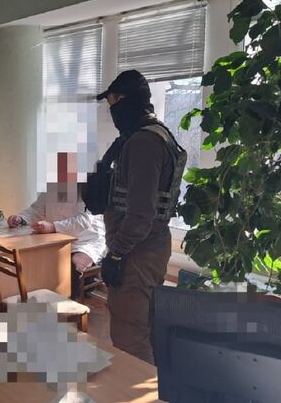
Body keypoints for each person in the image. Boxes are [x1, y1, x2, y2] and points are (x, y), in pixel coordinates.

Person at [95, 70, 186, 364]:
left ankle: (138, 387)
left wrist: (116, 254)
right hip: (148, 246)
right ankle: (156, 385)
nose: (111, 111)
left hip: (136, 252)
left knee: (129, 338)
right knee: (146, 328)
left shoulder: (144, 142)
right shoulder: (154, 135)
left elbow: (141, 214)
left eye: (112, 103)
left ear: (123, 99)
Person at [6, 152, 105, 299]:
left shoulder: (86, 189)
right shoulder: (52, 186)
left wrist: (53, 227)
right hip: (56, 239)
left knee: (72, 265)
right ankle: (46, 297)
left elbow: (83, 221)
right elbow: (36, 209)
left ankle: (70, 303)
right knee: (37, 258)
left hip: (85, 240)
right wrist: (20, 219)